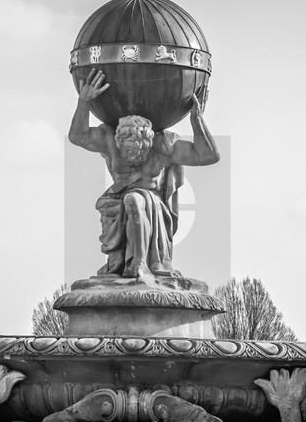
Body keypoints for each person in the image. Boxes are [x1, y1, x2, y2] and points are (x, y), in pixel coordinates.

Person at [68, 69, 219, 280]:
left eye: (139, 154)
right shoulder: (110, 139)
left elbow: (208, 155)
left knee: (133, 200)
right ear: (119, 142)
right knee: (129, 199)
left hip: (153, 206)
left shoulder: (164, 145)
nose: (132, 159)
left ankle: (140, 263)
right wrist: (83, 102)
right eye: (126, 153)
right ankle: (126, 263)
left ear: (148, 144)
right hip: (116, 203)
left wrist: (197, 120)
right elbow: (77, 136)